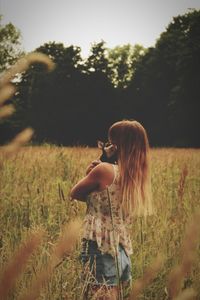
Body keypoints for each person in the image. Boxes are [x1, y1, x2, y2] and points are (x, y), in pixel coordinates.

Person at [70, 120, 153, 300]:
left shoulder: (104, 170)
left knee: (96, 294)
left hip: (99, 245)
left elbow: (75, 193)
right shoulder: (135, 176)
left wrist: (91, 171)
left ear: (117, 145)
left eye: (110, 141)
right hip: (121, 248)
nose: (108, 145)